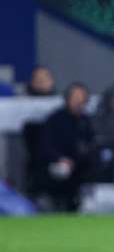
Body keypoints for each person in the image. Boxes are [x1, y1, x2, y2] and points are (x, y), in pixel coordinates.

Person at [38, 83, 93, 211]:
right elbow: (45, 145)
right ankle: (58, 204)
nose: (79, 101)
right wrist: (60, 158)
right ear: (68, 98)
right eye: (76, 97)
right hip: (57, 162)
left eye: (82, 97)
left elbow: (92, 143)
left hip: (80, 164)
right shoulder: (55, 119)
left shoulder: (86, 120)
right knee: (63, 170)